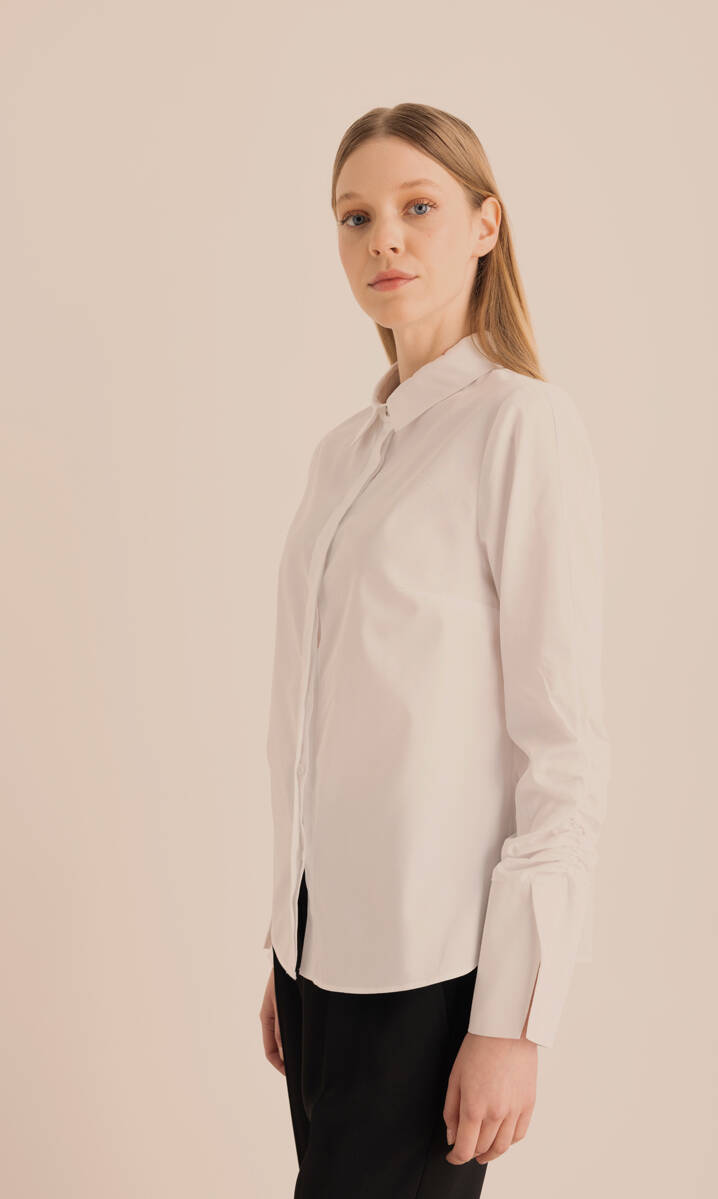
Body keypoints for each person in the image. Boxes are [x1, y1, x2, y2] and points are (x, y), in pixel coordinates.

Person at [258, 101, 611, 1198]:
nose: (385, 240)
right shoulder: (342, 455)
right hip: (318, 965)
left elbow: (561, 749)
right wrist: (288, 940)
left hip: (433, 975)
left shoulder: (519, 425)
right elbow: (322, 724)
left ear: (484, 225)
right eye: (355, 217)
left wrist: (513, 1018)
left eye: (418, 207)